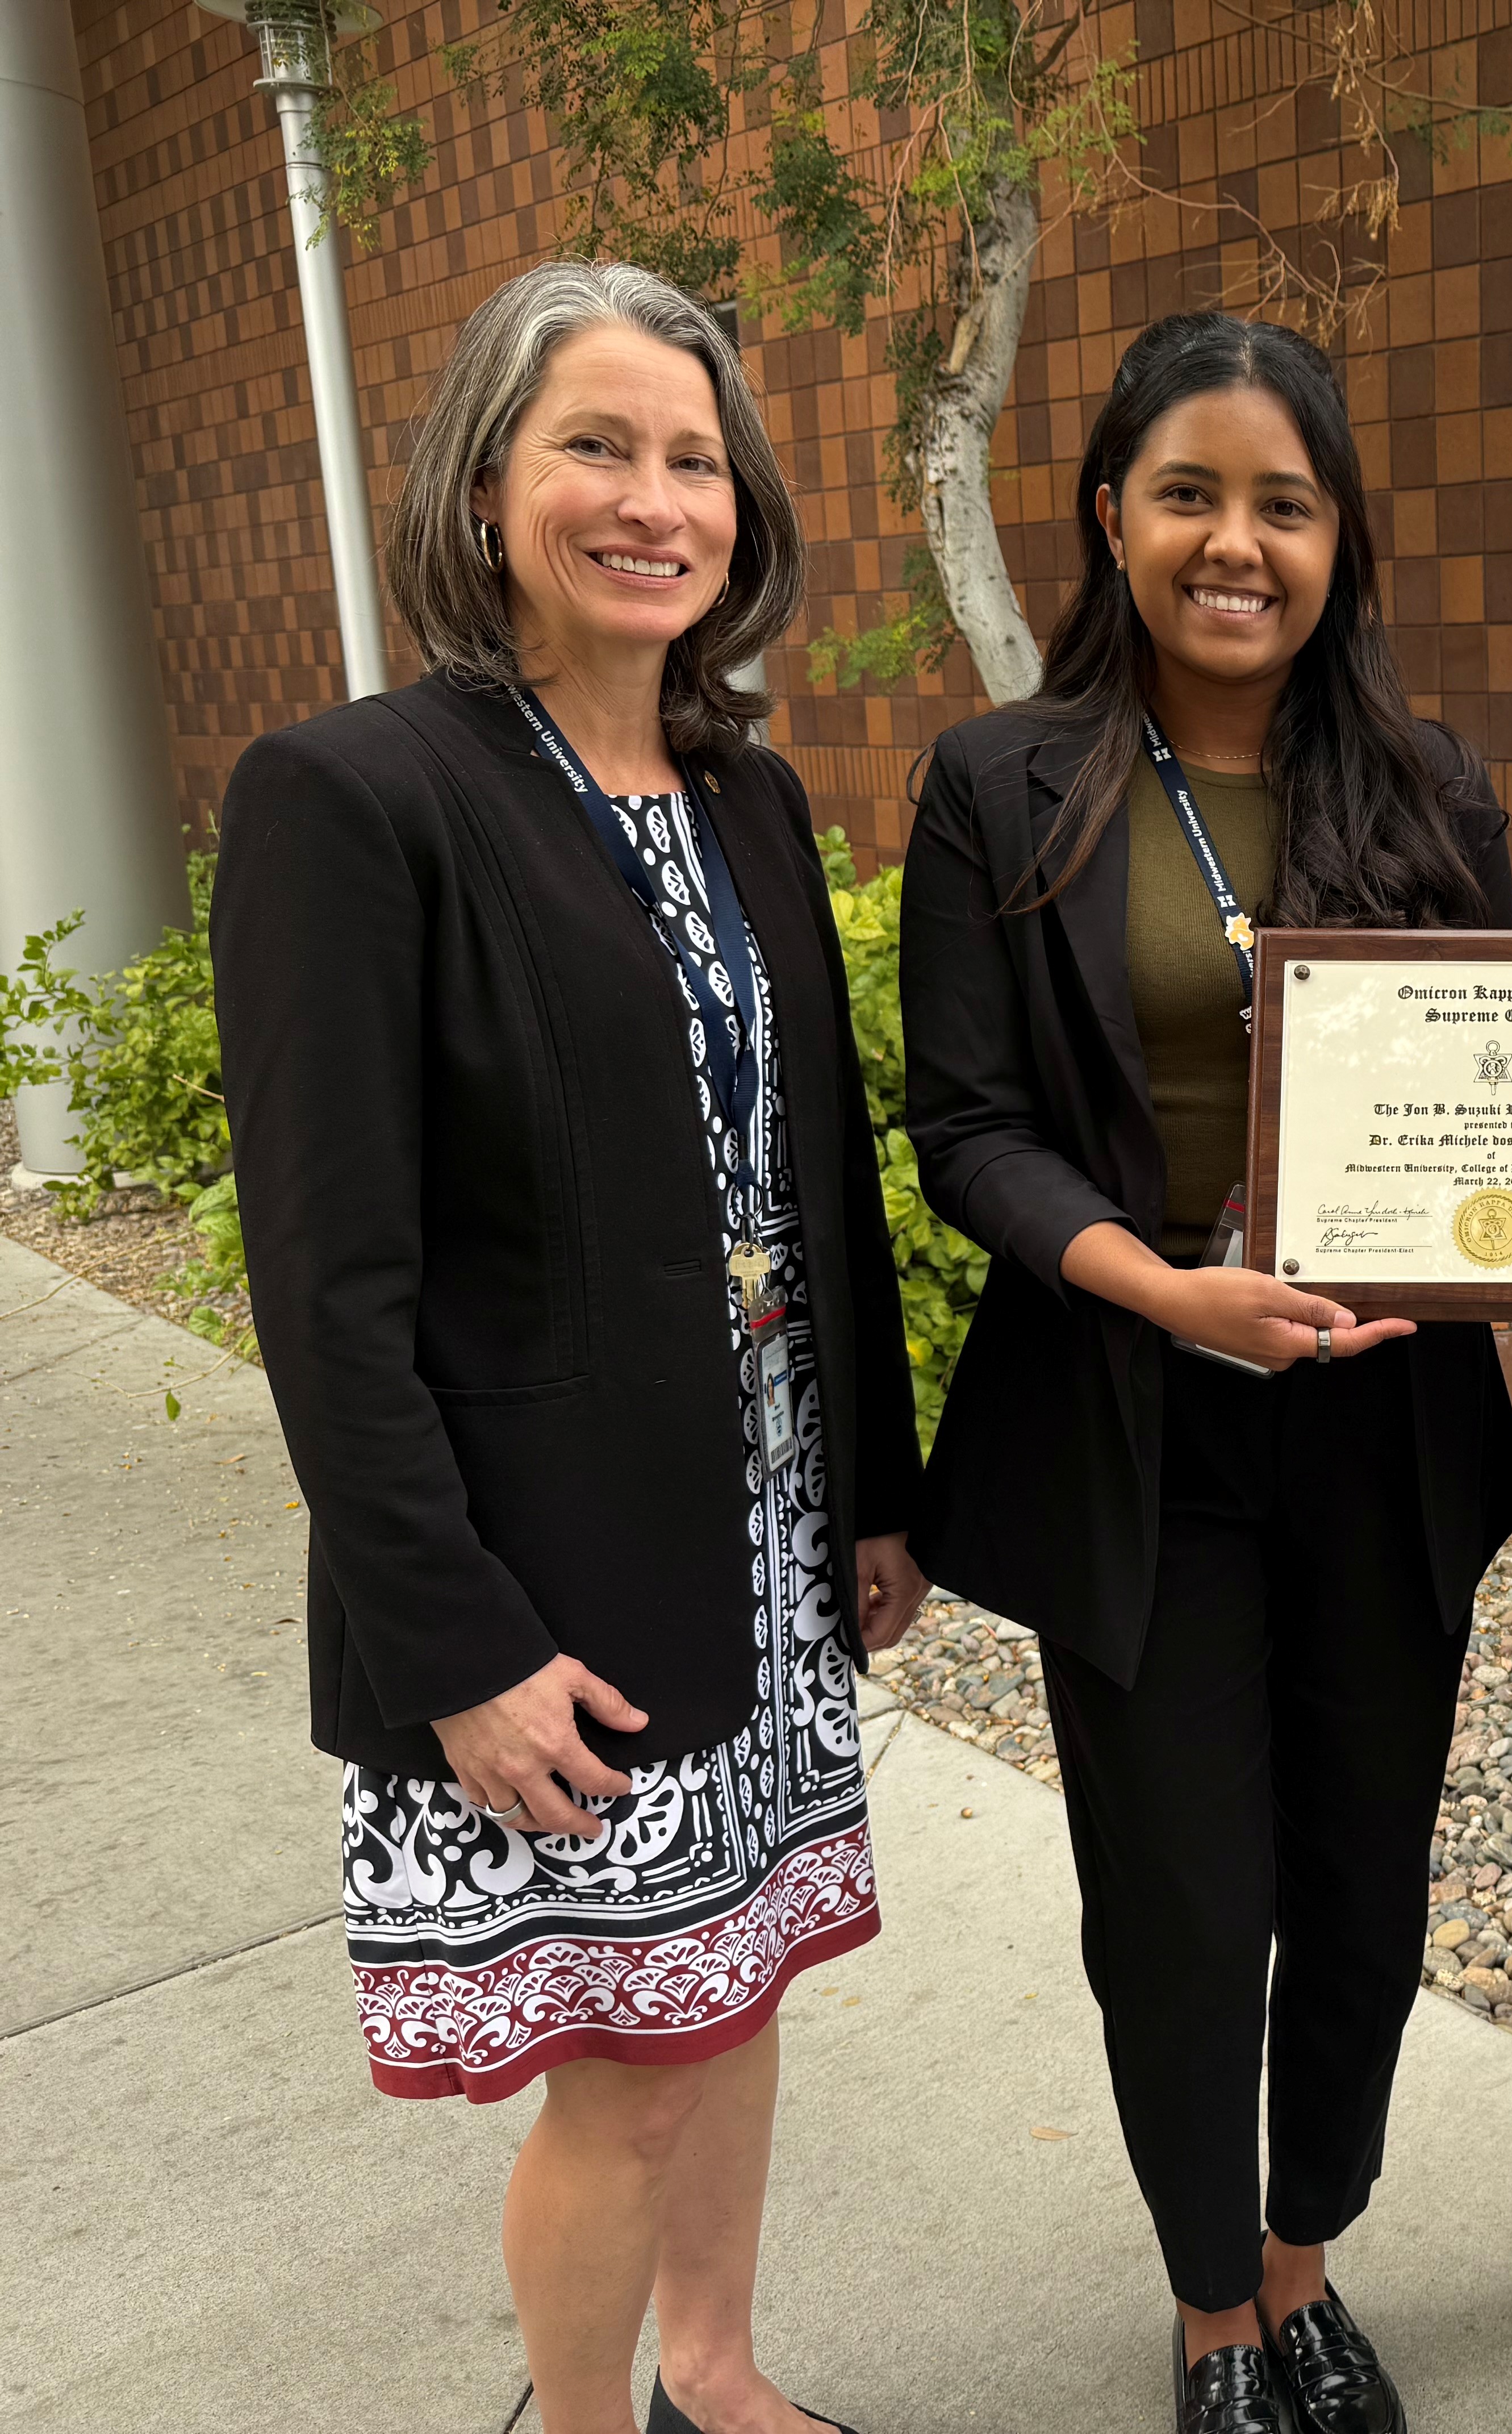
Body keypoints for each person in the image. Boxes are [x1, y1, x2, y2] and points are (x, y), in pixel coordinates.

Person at [212, 261, 929, 2434]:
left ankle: (711, 2369)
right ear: (488, 485)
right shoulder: (357, 799)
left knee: (742, 1982)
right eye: (595, 448)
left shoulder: (748, 800)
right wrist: (453, 1638)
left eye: (694, 457)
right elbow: (328, 1289)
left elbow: (814, 1177)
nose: (653, 499)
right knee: (624, 2072)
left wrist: (875, 1497)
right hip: (549, 1585)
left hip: (767, 1543)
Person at [897, 312, 1512, 2434]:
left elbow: (1507, 1084)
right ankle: (1207, 2312)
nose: (1235, 542)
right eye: (1190, 493)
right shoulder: (1004, 779)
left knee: (1362, 1879)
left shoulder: (1428, 783)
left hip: (1383, 1427)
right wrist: (1162, 1292)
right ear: (1110, 513)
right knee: (1183, 1902)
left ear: (1341, 536)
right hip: (1136, 1422)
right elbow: (969, 1126)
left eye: (1285, 501)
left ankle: (1305, 2263)